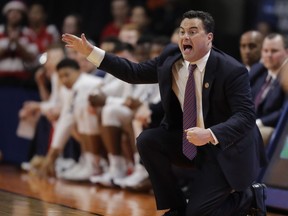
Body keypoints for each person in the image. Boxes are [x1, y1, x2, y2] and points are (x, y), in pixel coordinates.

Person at [62, 10, 267, 216]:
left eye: (193, 32)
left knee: (198, 214)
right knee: (148, 140)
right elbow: (133, 72)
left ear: (209, 38)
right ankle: (176, 207)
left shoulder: (231, 70)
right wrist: (91, 52)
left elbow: (246, 117)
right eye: (182, 31)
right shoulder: (171, 59)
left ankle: (249, 197)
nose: (186, 37)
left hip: (225, 148)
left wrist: (210, 133)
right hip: (191, 142)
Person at [249, 33, 288, 146]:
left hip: (273, 127)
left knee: (252, 134)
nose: (269, 55)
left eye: (274, 51)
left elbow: (284, 111)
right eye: (265, 51)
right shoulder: (259, 70)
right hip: (250, 123)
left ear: (286, 52)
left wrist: (259, 123)